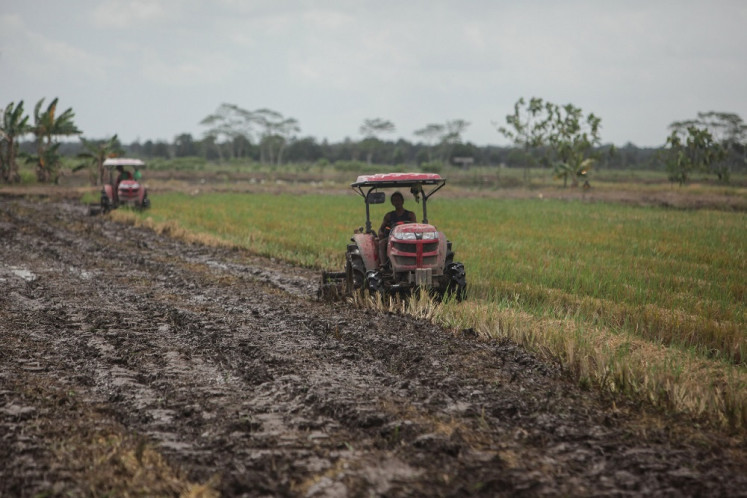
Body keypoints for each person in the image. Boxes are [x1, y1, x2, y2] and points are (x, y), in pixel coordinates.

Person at [378, 191, 416, 268]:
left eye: (398, 200)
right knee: (381, 243)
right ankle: (384, 265)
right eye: (395, 200)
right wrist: (381, 234)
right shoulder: (389, 216)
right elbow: (381, 230)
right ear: (392, 203)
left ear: (402, 201)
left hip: (408, 238)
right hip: (392, 239)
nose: (397, 202)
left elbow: (415, 227)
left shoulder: (410, 215)